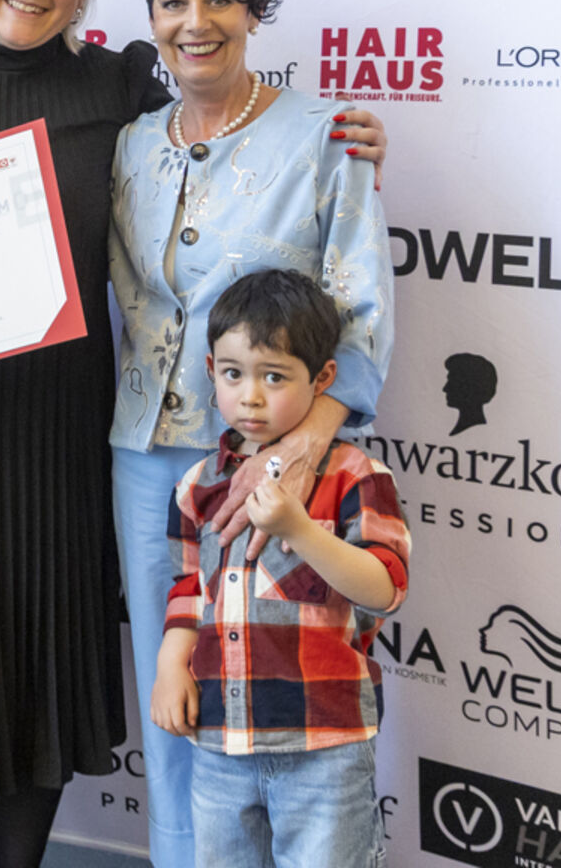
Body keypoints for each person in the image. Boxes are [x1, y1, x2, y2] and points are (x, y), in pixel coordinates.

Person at [108, 0, 394, 868]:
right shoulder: (130, 142)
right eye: (172, 1)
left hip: (276, 457)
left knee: (281, 699)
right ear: (150, 15)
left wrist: (309, 442)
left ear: (253, 10)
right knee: (174, 691)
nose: (195, 21)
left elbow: (361, 304)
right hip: (147, 456)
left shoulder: (327, 135)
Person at [152, 269, 410, 868]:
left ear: (322, 379)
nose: (251, 396)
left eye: (274, 377)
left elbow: (385, 589)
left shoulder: (355, 477)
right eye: (233, 374)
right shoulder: (197, 486)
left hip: (325, 745)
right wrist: (169, 666)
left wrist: (300, 531)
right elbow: (188, 589)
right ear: (210, 369)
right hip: (221, 743)